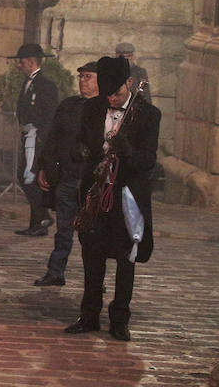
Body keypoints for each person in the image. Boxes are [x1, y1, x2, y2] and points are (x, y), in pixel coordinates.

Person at [65, 56, 160, 341]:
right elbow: (82, 141)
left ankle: (120, 319)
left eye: (117, 93)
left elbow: (149, 160)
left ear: (129, 83)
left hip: (127, 197)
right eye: (108, 94)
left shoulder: (148, 114)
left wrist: (127, 150)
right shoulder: (93, 108)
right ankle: (89, 315)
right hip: (96, 193)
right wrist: (82, 151)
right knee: (92, 257)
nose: (113, 100)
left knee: (124, 260)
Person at [33, 61, 99, 286]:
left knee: (92, 234)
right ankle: (56, 271)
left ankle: (94, 278)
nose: (83, 81)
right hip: (69, 177)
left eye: (88, 77)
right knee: (63, 229)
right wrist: (44, 167)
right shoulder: (69, 106)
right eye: (81, 77)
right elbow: (53, 138)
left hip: (92, 181)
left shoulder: (105, 108)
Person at [8, 43, 59, 236]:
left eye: (20, 62)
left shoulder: (46, 85)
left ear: (30, 62)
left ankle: (43, 215)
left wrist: (41, 138)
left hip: (36, 136)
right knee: (27, 176)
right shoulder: (28, 82)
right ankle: (37, 222)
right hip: (28, 134)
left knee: (28, 177)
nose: (18, 66)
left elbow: (49, 114)